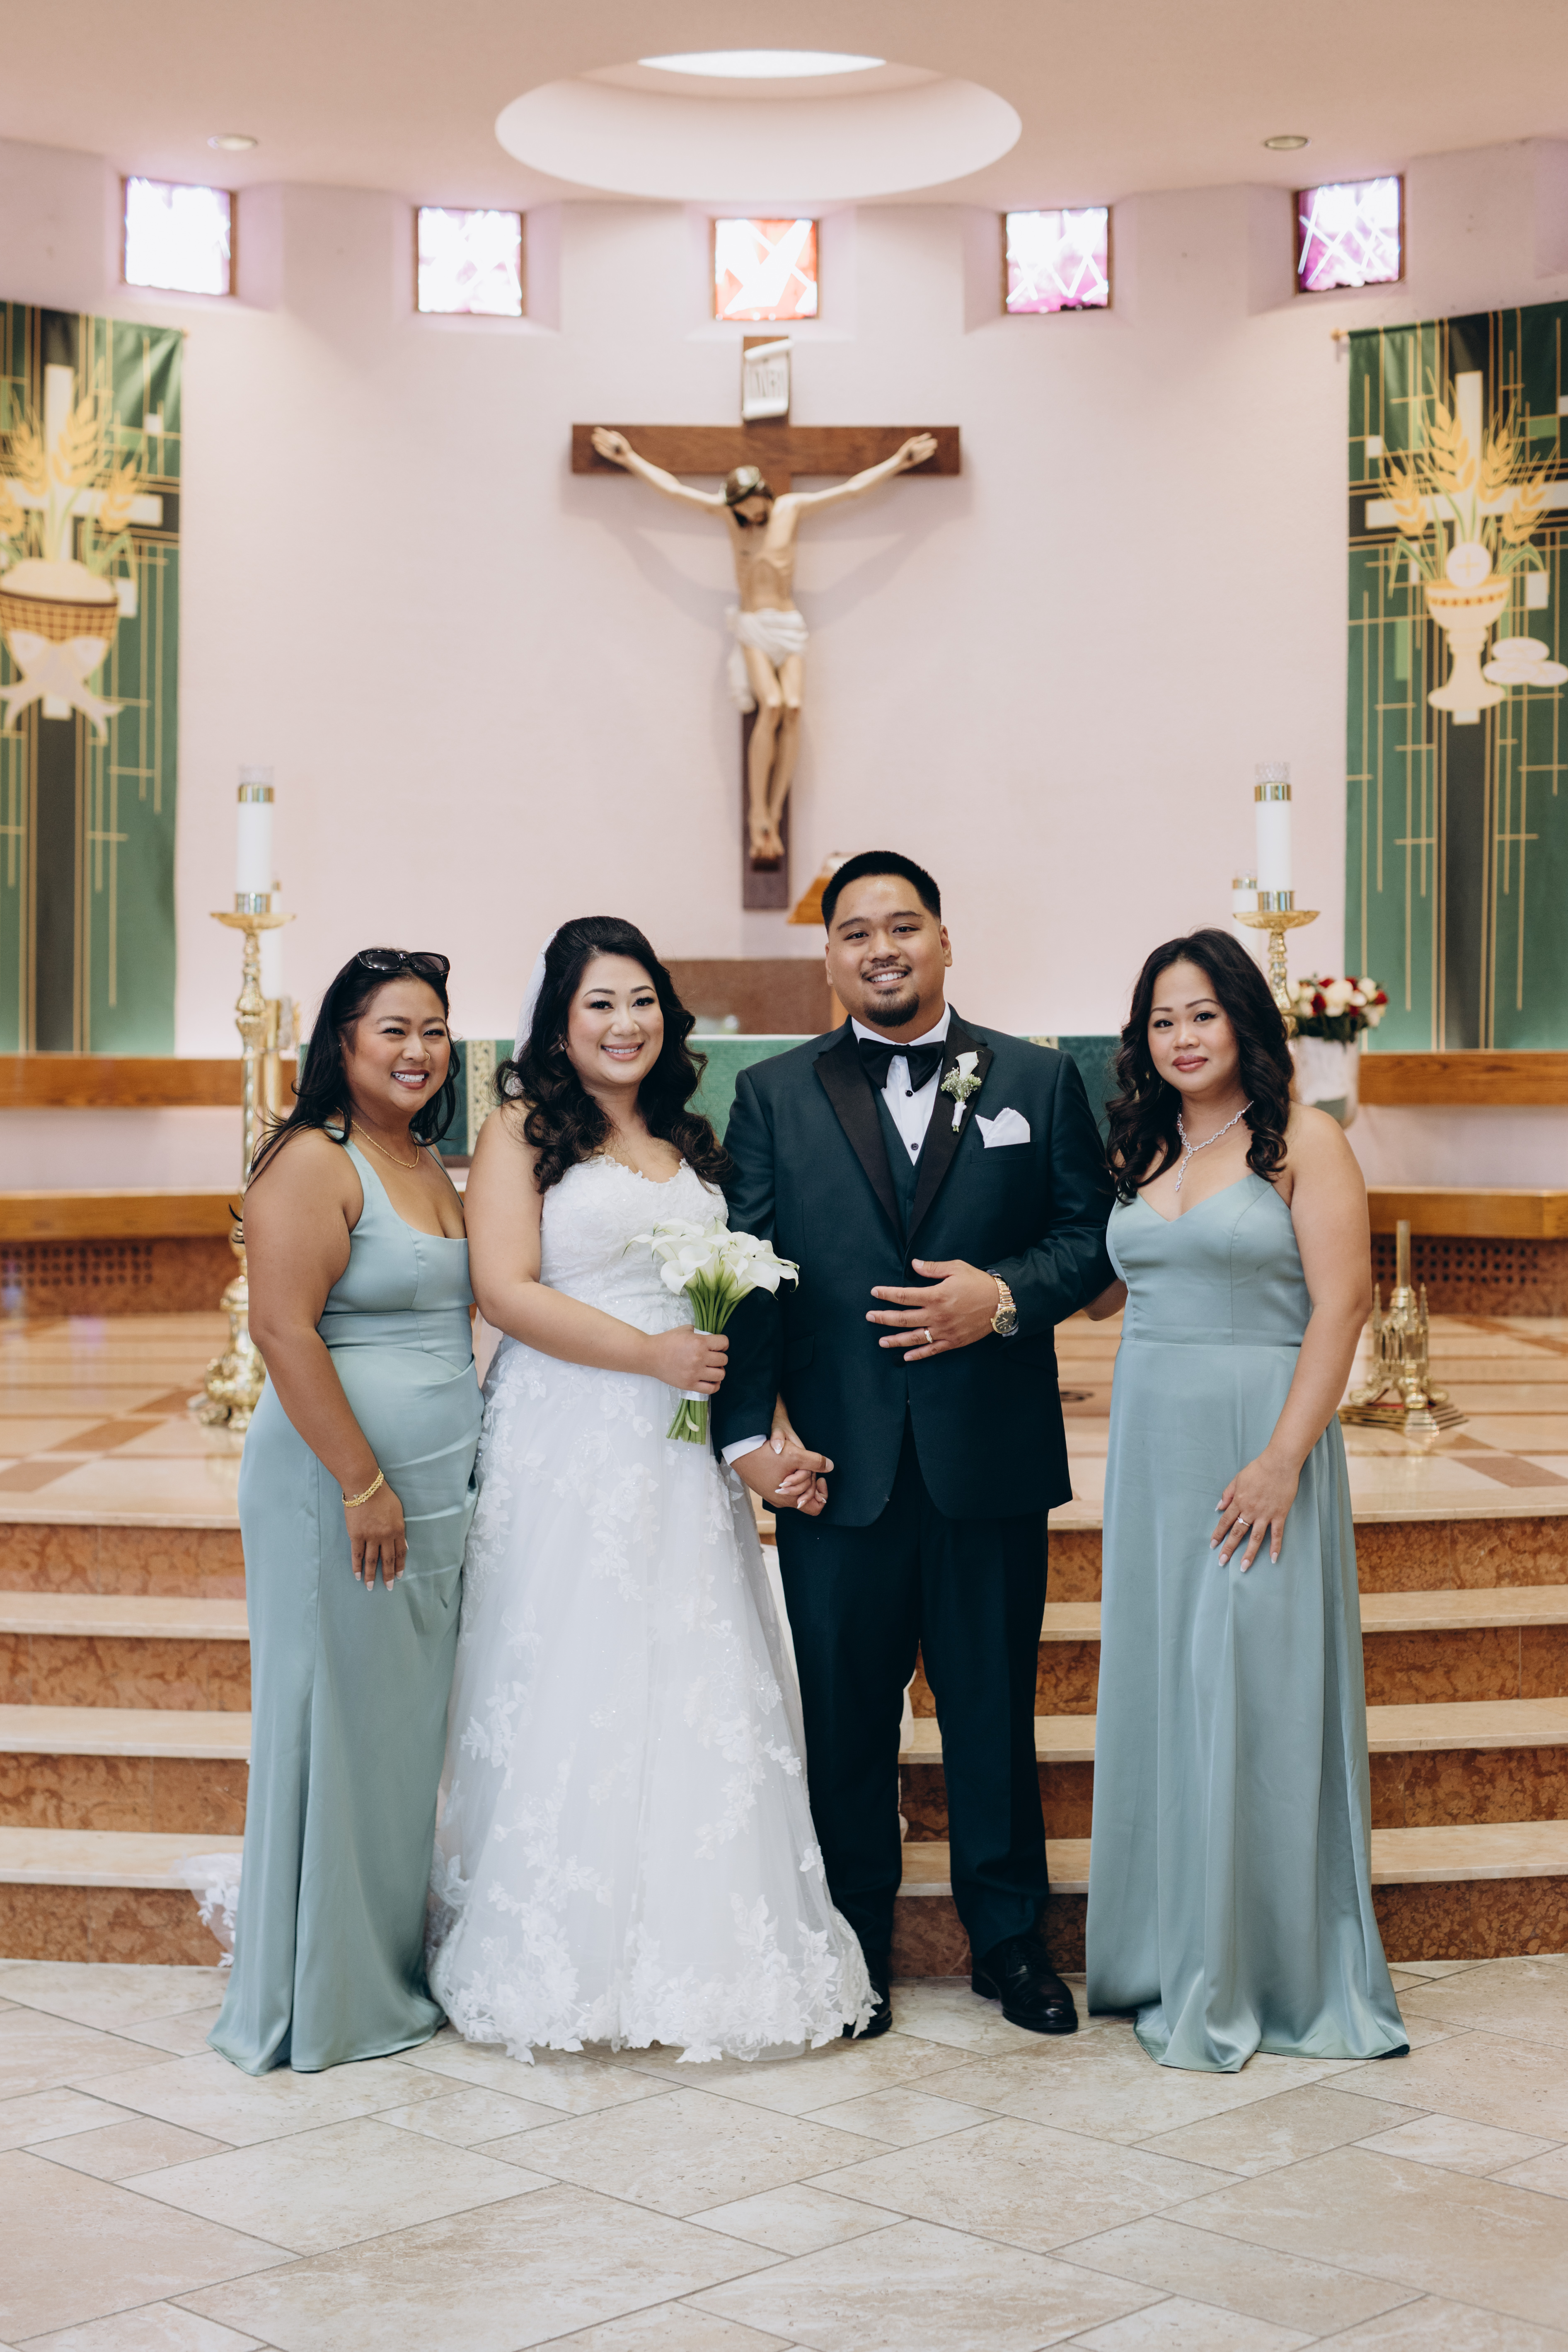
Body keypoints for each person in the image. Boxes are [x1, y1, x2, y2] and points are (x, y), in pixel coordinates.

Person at [426, 916, 871, 2062]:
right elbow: (504, 1289)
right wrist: (649, 1354)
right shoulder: (522, 1128)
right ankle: (562, 1946)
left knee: (689, 1663)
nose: (624, 1024)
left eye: (640, 1001)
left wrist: (751, 1422)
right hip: (571, 1429)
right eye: (599, 1004)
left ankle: (701, 1944)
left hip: (680, 1446)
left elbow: (734, 1304)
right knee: (575, 1660)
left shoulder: (689, 1137)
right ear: (559, 1024)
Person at [715, 852, 1116, 2037]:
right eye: (855, 931)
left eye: (902, 926)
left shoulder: (1037, 1079)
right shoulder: (772, 1094)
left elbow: (1089, 1236)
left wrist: (1000, 1295)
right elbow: (747, 1273)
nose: (880, 948)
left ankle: (1009, 1942)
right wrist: (748, 1431)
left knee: (992, 1708)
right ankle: (853, 1946)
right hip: (837, 1465)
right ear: (829, 957)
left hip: (985, 1452)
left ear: (944, 939)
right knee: (845, 1721)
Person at [1084, 928, 1407, 2071]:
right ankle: (1164, 1946)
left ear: (1243, 1021)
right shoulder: (1139, 1145)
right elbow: (1102, 1288)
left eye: (1202, 1013)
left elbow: (1343, 1302)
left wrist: (1282, 1456)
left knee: (1254, 1688)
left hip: (1259, 1446)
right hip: (1154, 1454)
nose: (1182, 1036)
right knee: (1166, 1682)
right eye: (1162, 1019)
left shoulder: (1303, 1141)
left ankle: (1261, 1965)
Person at [210, 949, 480, 2075]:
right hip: (337, 1487)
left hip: (428, 1488)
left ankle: (377, 1972)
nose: (418, 1050)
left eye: (433, 1029)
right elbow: (282, 1329)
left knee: (391, 1739)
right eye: (392, 1030)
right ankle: (317, 1999)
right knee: (331, 1723)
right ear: (343, 1042)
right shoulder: (311, 1158)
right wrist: (363, 1482)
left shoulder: (423, 1156)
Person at [588, 427, 937, 864]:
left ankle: (774, 809)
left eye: (753, 507)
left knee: (793, 708)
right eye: (742, 510)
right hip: (753, 626)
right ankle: (759, 813)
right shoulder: (730, 519)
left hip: (787, 624)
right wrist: (628, 458)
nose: (750, 516)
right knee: (770, 706)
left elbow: (851, 490)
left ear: (765, 495)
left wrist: (900, 461)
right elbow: (675, 491)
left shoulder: (790, 510)